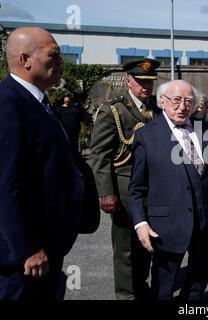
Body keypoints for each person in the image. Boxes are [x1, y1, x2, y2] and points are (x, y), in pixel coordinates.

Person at [128, 80, 208, 300]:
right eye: (176, 100)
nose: (183, 106)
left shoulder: (205, 131)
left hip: (206, 224)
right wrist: (140, 223)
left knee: (198, 282)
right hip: (167, 227)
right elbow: (137, 188)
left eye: (188, 101)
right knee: (163, 287)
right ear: (163, 102)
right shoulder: (147, 136)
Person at [0, 27, 93, 300]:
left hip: (46, 247)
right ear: (25, 59)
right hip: (23, 261)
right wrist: (27, 247)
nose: (60, 62)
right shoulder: (8, 104)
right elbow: (6, 184)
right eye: (53, 55)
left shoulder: (38, 101)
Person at [90, 58, 161, 300]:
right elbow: (99, 154)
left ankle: (140, 288)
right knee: (126, 248)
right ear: (128, 81)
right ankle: (126, 295)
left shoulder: (157, 109)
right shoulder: (114, 110)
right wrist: (105, 192)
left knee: (146, 243)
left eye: (150, 82)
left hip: (152, 188)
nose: (146, 87)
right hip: (123, 185)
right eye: (141, 82)